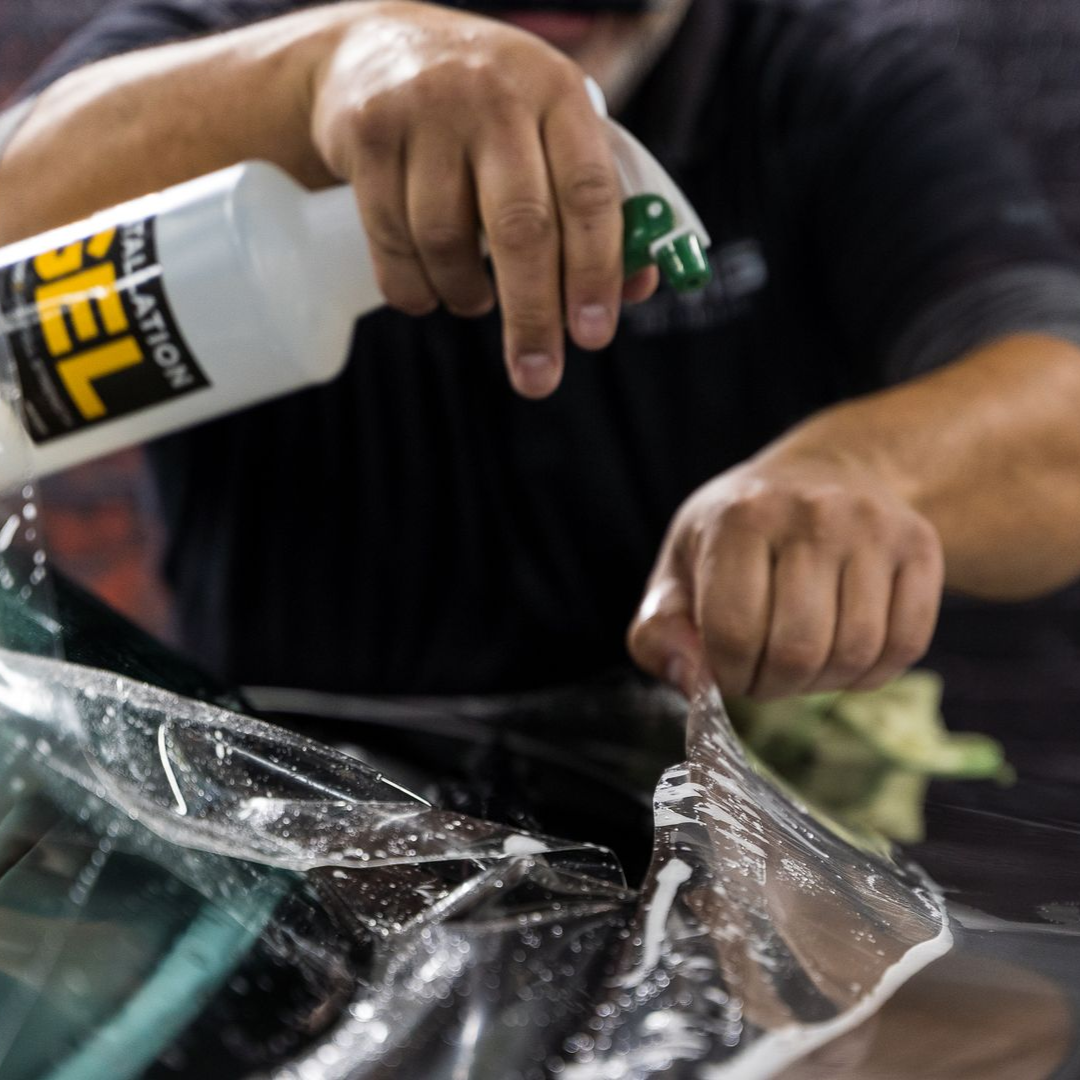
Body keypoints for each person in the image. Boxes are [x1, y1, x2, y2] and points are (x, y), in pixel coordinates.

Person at [2, 0, 1080, 718]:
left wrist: (862, 474)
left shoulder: (827, 80)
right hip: (296, 847)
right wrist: (320, 75)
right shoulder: (225, 44)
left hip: (730, 839)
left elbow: (1054, 403)